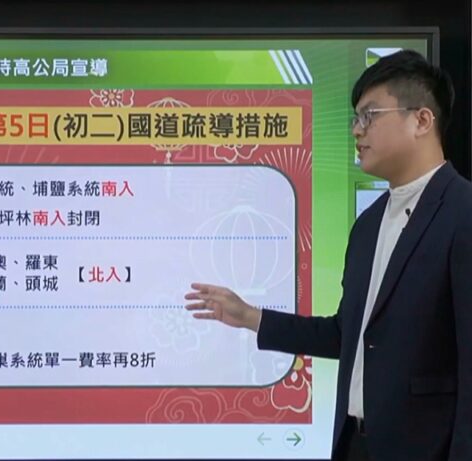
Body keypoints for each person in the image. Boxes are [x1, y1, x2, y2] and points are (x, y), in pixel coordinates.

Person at [184, 49, 471, 461]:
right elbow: (345, 334)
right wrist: (250, 317)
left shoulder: (462, 212)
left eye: (370, 116)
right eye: (356, 118)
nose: (357, 130)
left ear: (422, 120)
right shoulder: (368, 224)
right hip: (354, 444)